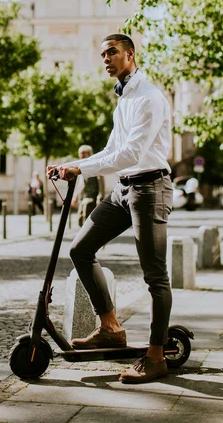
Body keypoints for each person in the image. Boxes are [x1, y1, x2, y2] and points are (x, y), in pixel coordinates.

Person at [47, 33, 173, 384]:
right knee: (81, 248)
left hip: (150, 189)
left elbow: (132, 153)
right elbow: (110, 151)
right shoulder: (124, 99)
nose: (106, 58)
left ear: (130, 55)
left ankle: (156, 355)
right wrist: (70, 164)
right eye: (102, 54)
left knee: (155, 276)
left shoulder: (148, 96)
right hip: (125, 188)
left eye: (112, 52)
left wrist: (81, 168)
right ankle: (111, 328)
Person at [72, 144, 105, 227]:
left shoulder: (95, 166)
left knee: (88, 219)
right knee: (80, 219)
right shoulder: (80, 168)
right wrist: (75, 197)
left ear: (90, 154)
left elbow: (101, 184)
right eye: (80, 154)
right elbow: (79, 185)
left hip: (92, 199)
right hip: (83, 198)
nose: (82, 156)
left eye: (84, 153)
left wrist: (100, 197)